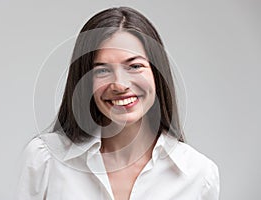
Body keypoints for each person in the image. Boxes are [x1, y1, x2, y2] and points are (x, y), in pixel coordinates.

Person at [17, 7, 220, 200]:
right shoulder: (45, 160)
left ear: (157, 74)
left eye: (134, 66)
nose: (120, 85)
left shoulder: (199, 174)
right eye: (102, 70)